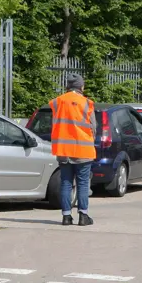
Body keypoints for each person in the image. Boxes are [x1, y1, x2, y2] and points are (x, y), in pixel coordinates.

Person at [49, 73, 97, 226]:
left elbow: (55, 124)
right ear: (81, 87)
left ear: (67, 87)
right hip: (83, 150)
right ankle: (83, 216)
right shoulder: (87, 103)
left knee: (66, 182)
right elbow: (93, 128)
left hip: (63, 149)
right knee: (83, 183)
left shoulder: (57, 102)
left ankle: (66, 216)